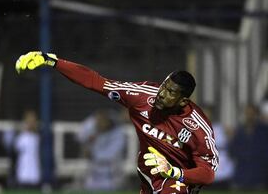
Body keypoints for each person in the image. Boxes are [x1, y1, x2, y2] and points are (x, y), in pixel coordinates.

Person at [15, 51, 218, 194]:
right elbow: (96, 82)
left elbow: (208, 174)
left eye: (171, 93)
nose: (162, 94)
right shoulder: (141, 96)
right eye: (164, 86)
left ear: (183, 100)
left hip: (178, 181)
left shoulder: (198, 127)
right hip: (148, 172)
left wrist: (173, 171)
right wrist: (52, 61)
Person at [77, 109, 126, 191]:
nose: (100, 123)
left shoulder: (118, 134)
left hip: (111, 175)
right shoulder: (94, 129)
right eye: (97, 120)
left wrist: (92, 154)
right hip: (93, 173)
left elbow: (111, 154)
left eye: (103, 120)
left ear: (108, 121)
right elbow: (80, 136)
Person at [229, 104, 268, 191]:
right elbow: (232, 150)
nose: (250, 116)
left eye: (252, 113)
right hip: (241, 174)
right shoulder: (239, 130)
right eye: (248, 113)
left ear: (256, 115)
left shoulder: (264, 130)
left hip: (259, 175)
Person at [10, 110, 42, 189]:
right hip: (23, 173)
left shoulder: (38, 138)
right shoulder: (21, 137)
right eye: (29, 121)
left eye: (33, 121)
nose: (31, 124)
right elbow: (14, 152)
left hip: (35, 174)